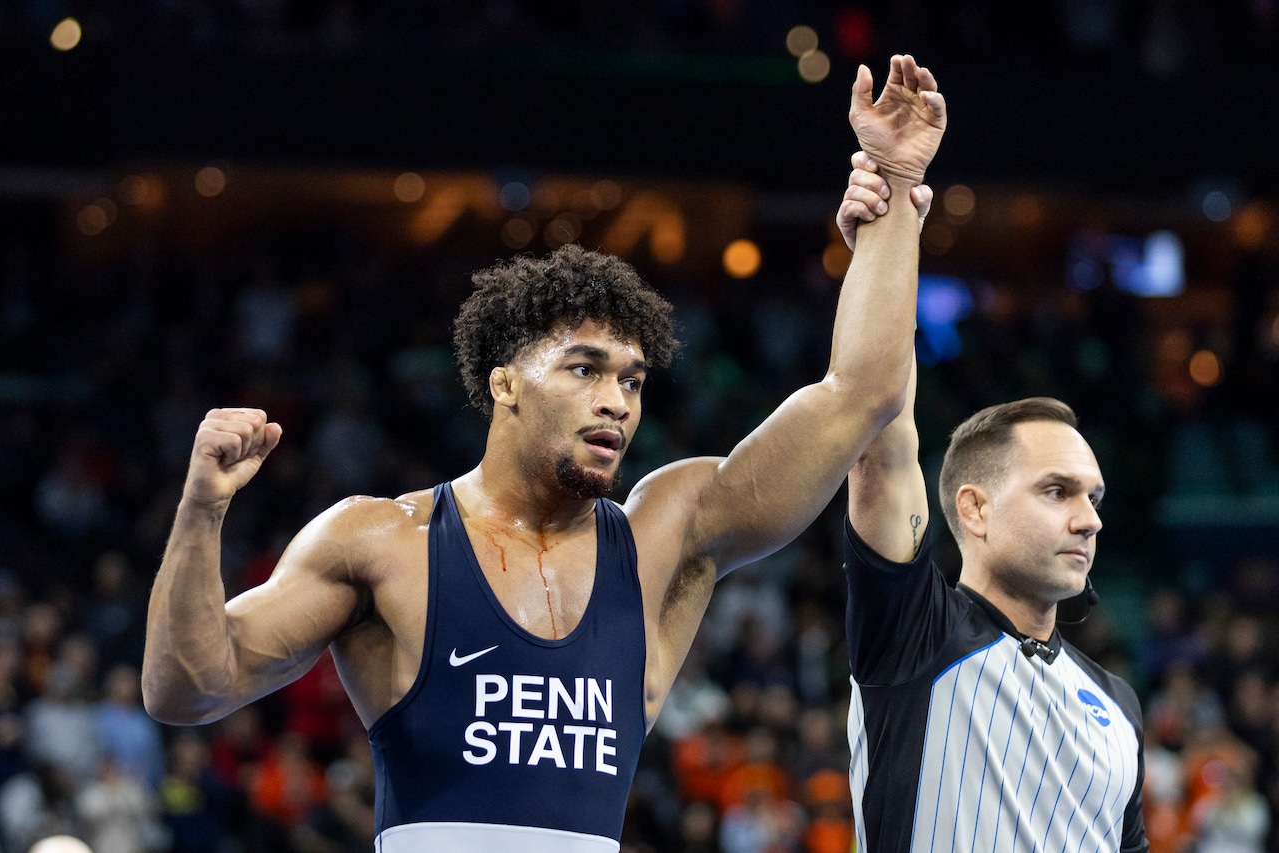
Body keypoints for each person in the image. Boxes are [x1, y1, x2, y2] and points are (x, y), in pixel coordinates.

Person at [142, 54, 946, 853]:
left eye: (632, 380)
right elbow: (187, 689)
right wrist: (202, 510)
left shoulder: (667, 532)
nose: (616, 401)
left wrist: (897, 192)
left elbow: (861, 395)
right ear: (505, 384)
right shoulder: (380, 541)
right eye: (585, 369)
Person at [834, 174, 1149, 850]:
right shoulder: (916, 636)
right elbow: (879, 436)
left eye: (1093, 496)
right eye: (1057, 490)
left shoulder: (1118, 705)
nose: (1089, 518)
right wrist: (887, 242)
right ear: (973, 509)